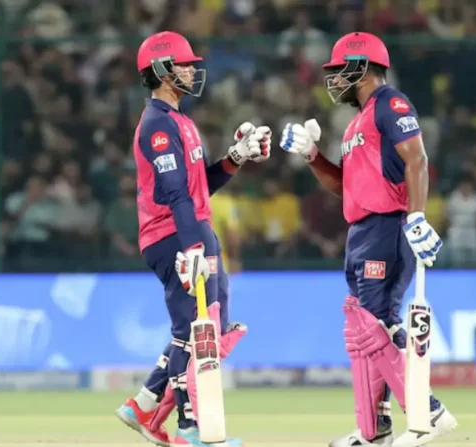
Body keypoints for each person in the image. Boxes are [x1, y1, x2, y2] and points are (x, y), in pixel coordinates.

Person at [280, 32, 457, 447]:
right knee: (364, 330)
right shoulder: (356, 123)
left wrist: (415, 218)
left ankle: (426, 412)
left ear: (362, 67)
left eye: (340, 70)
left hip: (388, 227)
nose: (335, 79)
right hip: (360, 230)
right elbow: (347, 187)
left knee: (376, 324)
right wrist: (312, 156)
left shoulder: (389, 104)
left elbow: (418, 158)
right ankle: (373, 432)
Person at [115, 31, 272, 447]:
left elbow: (200, 187)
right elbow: (176, 194)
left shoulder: (180, 121)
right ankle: (189, 429)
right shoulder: (158, 126)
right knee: (197, 331)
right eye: (184, 64)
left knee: (206, 329)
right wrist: (194, 249)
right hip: (174, 234)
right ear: (162, 71)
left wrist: (237, 157)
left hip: (190, 228)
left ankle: (146, 404)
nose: (192, 70)